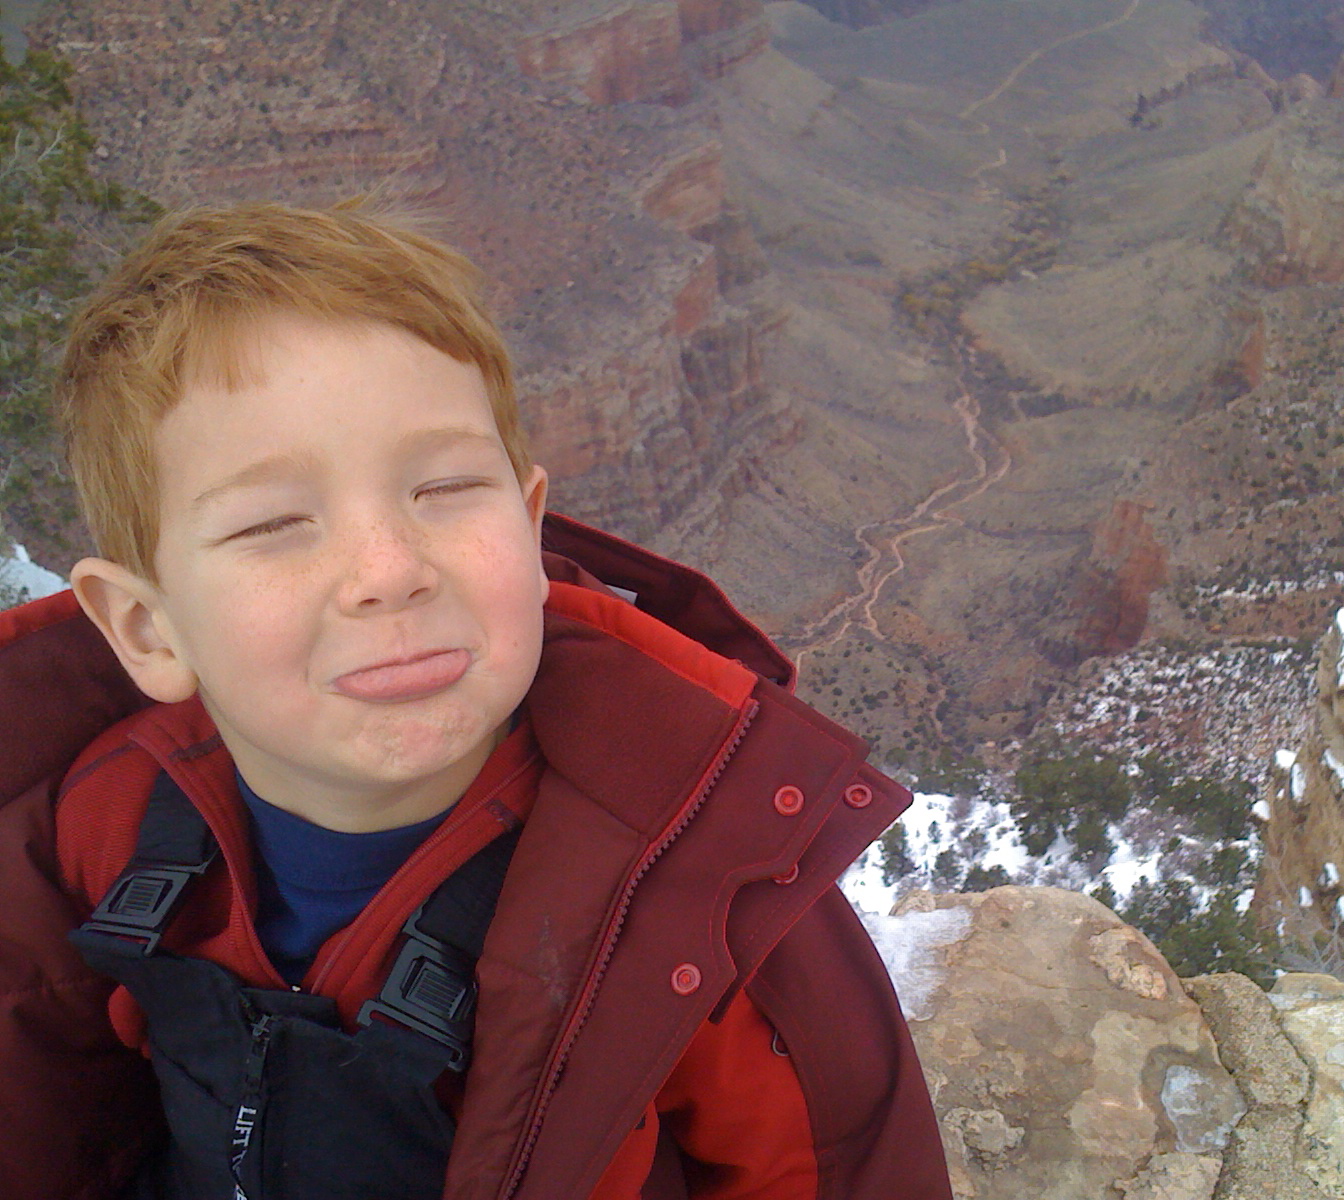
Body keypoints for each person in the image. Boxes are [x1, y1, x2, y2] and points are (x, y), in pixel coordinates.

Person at [0, 202, 952, 1200]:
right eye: (274, 523)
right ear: (148, 629)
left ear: (532, 534)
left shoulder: (697, 884)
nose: (389, 571)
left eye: (446, 487)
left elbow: (837, 1170)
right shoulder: (99, 829)